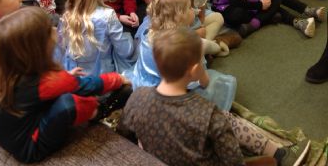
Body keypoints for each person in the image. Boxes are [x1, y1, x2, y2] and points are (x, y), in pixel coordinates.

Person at [118, 26, 311, 166]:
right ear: (195, 70)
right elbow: (233, 162)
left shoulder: (137, 97)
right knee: (261, 155)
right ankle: (280, 155)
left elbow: (124, 134)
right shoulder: (209, 114)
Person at [0, 7, 129, 164]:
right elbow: (88, 85)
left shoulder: (6, 73)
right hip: (30, 148)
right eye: (49, 30)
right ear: (38, 48)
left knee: (65, 90)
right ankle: (101, 111)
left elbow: (45, 87)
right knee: (69, 103)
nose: (55, 30)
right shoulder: (45, 82)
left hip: (13, 135)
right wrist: (118, 79)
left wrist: (65, 79)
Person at [130, 0, 235, 111]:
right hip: (168, 97)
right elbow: (198, 80)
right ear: (179, 16)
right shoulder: (185, 45)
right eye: (190, 7)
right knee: (218, 84)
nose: (193, 10)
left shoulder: (149, 35)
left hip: (142, 87)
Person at [58, 0, 134, 75]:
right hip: (101, 78)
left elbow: (60, 50)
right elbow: (124, 51)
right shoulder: (108, 15)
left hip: (73, 75)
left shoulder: (67, 15)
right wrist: (130, 39)